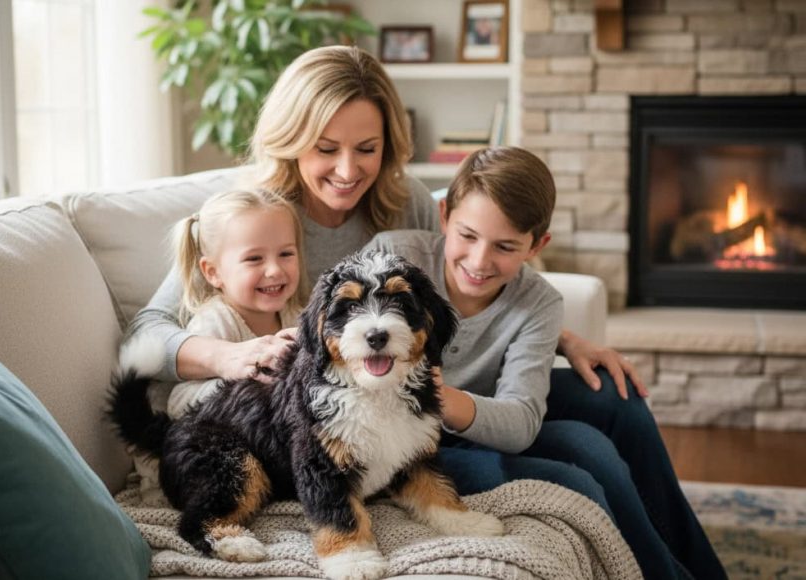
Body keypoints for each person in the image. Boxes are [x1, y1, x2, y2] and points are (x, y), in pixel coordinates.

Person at [126, 45, 720, 576]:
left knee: (620, 404)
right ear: (291, 138)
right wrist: (229, 355)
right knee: (586, 455)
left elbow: (463, 272)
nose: (347, 169)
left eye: (368, 148)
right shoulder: (255, 218)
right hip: (361, 410)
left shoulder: (401, 199)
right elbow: (149, 331)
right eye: (325, 148)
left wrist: (562, 336)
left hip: (432, 386)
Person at [365, 146, 725, 579]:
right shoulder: (390, 261)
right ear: (444, 217)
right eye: (468, 235)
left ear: (538, 245)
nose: (479, 261)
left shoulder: (538, 302)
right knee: (590, 453)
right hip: (405, 443)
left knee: (615, 396)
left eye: (505, 246)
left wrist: (443, 396)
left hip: (476, 416)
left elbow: (519, 423)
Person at [129, 188, 306, 504]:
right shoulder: (215, 322)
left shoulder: (295, 316)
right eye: (254, 258)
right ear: (212, 272)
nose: (275, 270)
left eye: (286, 254)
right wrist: (248, 387)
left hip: (257, 451)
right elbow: (179, 403)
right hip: (196, 457)